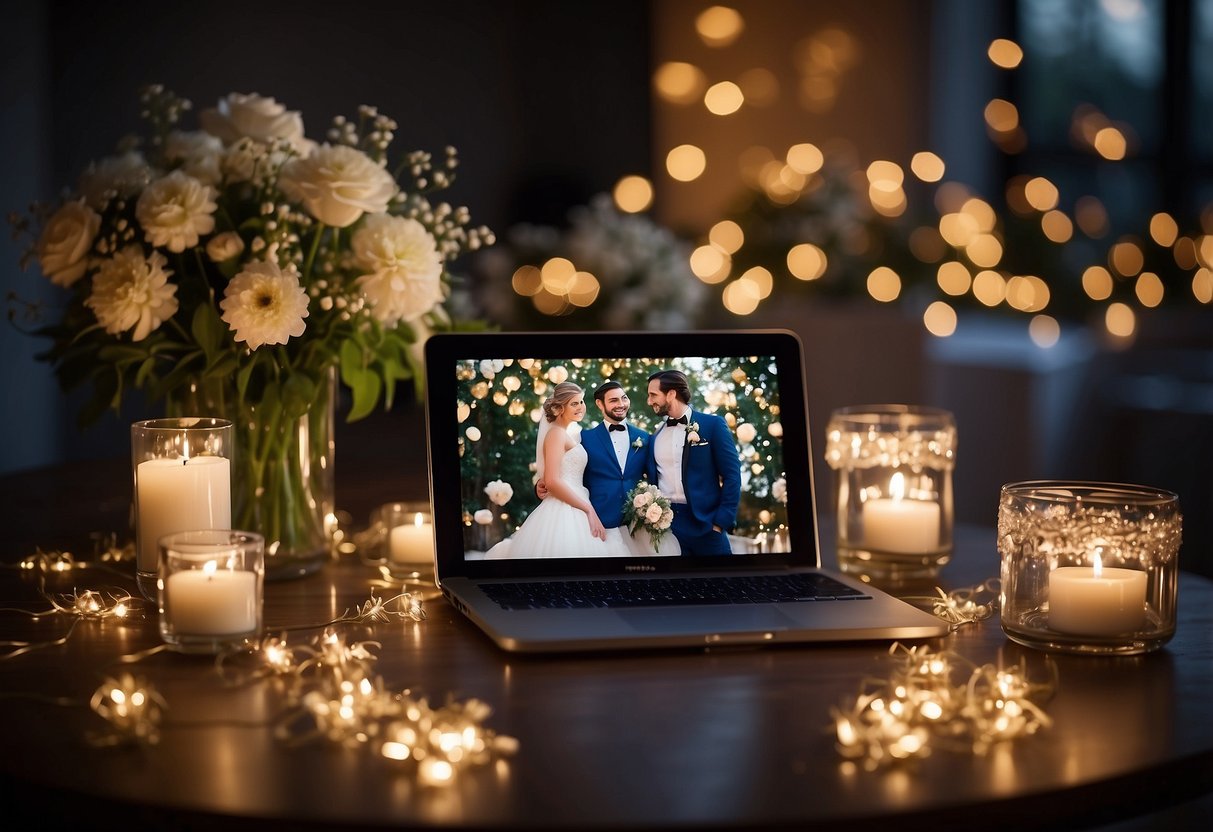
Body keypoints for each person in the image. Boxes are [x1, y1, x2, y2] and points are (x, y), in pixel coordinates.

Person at [537, 380, 678, 556]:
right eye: (613, 400)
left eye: (624, 398)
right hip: (596, 523)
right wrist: (542, 484)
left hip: (635, 525)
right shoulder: (583, 438)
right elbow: (566, 471)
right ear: (599, 404)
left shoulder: (645, 438)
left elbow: (654, 479)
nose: (621, 404)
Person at [485, 382, 613, 559]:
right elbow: (552, 481)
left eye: (582, 402)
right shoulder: (556, 434)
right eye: (574, 403)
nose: (581, 407)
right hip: (564, 506)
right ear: (560, 408)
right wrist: (588, 510)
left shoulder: (568, 433)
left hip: (576, 500)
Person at [645, 369, 741, 555]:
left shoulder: (713, 425)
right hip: (667, 529)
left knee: (720, 583)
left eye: (653, 395)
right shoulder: (656, 435)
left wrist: (720, 522)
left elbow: (732, 475)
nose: (649, 401)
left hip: (707, 526)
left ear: (671, 394)